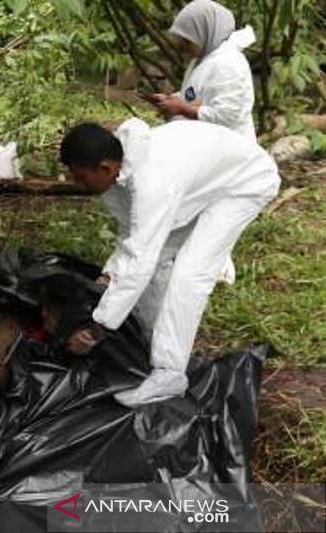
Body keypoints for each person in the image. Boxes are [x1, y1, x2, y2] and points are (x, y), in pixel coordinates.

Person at [58, 119, 279, 406]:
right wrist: (110, 276)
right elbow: (133, 235)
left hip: (244, 183)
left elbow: (141, 257)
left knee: (189, 274)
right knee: (154, 260)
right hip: (199, 184)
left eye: (81, 177)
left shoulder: (153, 180)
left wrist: (95, 330)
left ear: (105, 168)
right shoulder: (117, 175)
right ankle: (154, 340)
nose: (78, 184)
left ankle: (170, 373)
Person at [146, 0, 257, 141]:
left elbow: (227, 116)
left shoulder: (228, 63)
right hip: (208, 146)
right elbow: (199, 93)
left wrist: (183, 108)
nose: (183, 47)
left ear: (206, 32)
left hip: (229, 150)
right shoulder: (204, 58)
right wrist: (172, 99)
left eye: (188, 41)